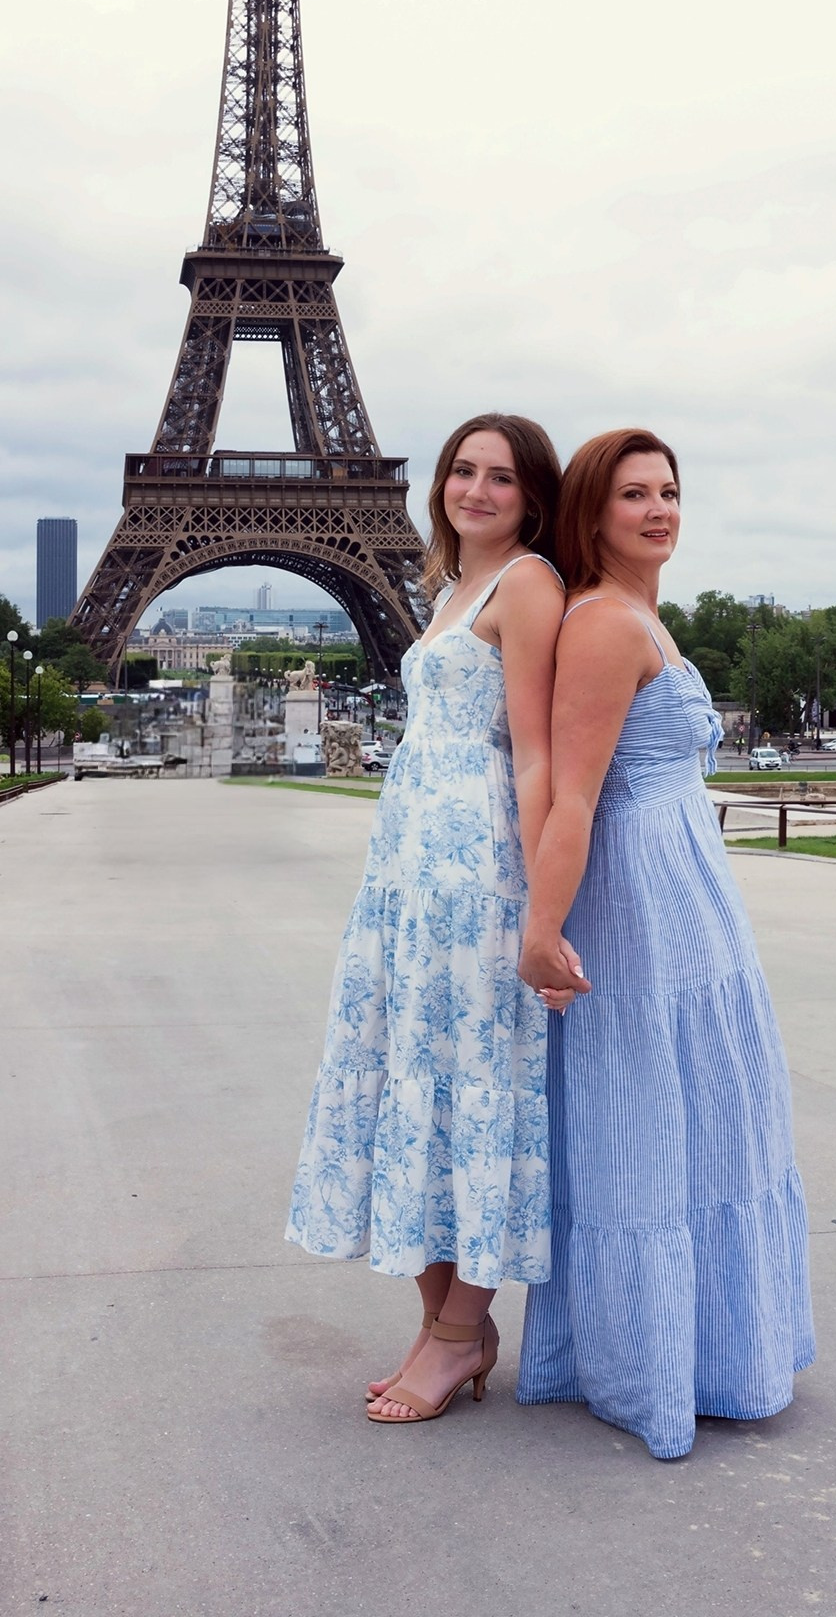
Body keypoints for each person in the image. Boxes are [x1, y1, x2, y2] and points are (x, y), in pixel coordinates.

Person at [516, 427, 815, 1460]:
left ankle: (690, 1352)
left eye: (670, 492)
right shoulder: (604, 624)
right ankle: (665, 1363)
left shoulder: (643, 614)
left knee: (691, 1111)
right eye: (634, 494)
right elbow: (574, 796)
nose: (659, 510)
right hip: (642, 893)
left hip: (681, 882)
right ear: (591, 513)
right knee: (661, 1107)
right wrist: (541, 930)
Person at [287, 413, 566, 1424]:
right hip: (410, 875)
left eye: (500, 477)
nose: (476, 490)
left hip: (476, 874)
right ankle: (452, 1325)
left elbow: (534, 750)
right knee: (417, 1079)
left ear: (532, 497)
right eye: (462, 470)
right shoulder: (450, 591)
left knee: (473, 1083)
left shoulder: (528, 584)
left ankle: (455, 1336)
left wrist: (542, 903)